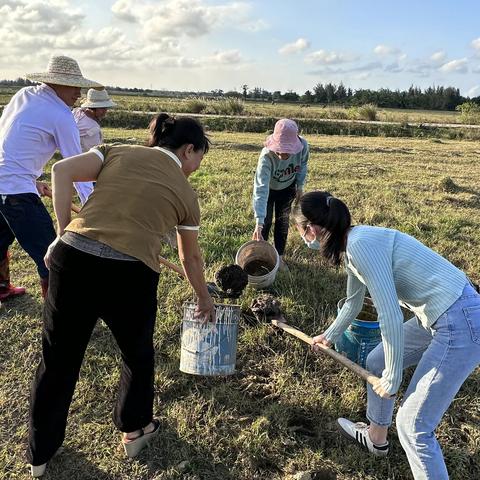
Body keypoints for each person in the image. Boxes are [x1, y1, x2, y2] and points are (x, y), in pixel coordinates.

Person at [27, 114, 216, 477]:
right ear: (189, 149)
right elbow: (189, 256)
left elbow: (62, 171)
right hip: (131, 272)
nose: (195, 166)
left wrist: (63, 233)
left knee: (58, 360)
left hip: (73, 259)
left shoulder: (115, 151)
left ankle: (39, 456)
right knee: (137, 354)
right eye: (199, 158)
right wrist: (204, 298)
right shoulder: (186, 193)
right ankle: (135, 431)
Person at [293, 190, 480, 480]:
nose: (305, 240)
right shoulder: (353, 243)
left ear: (311, 229)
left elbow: (390, 314)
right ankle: (376, 437)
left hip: (460, 321)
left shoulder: (361, 246)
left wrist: (392, 377)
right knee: (377, 359)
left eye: (300, 232)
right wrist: (328, 336)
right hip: (438, 313)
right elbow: (354, 302)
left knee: (413, 425)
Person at [0, 55, 102, 299]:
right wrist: (93, 206)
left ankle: (1, 288)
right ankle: (58, 311)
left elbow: (7, 137)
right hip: (16, 192)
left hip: (8, 183)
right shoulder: (61, 115)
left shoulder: (24, 94)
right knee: (52, 253)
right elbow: (75, 167)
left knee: (0, 240)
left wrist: (30, 178)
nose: (78, 93)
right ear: (58, 83)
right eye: (75, 86)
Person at [252, 118, 309, 271]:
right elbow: (261, 189)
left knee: (282, 222)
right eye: (279, 149)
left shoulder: (303, 146)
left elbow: (303, 165)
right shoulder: (266, 157)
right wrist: (259, 221)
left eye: (286, 151)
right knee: (266, 222)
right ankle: (260, 256)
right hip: (269, 191)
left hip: (287, 188)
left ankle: (280, 256)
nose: (282, 155)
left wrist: (300, 186)